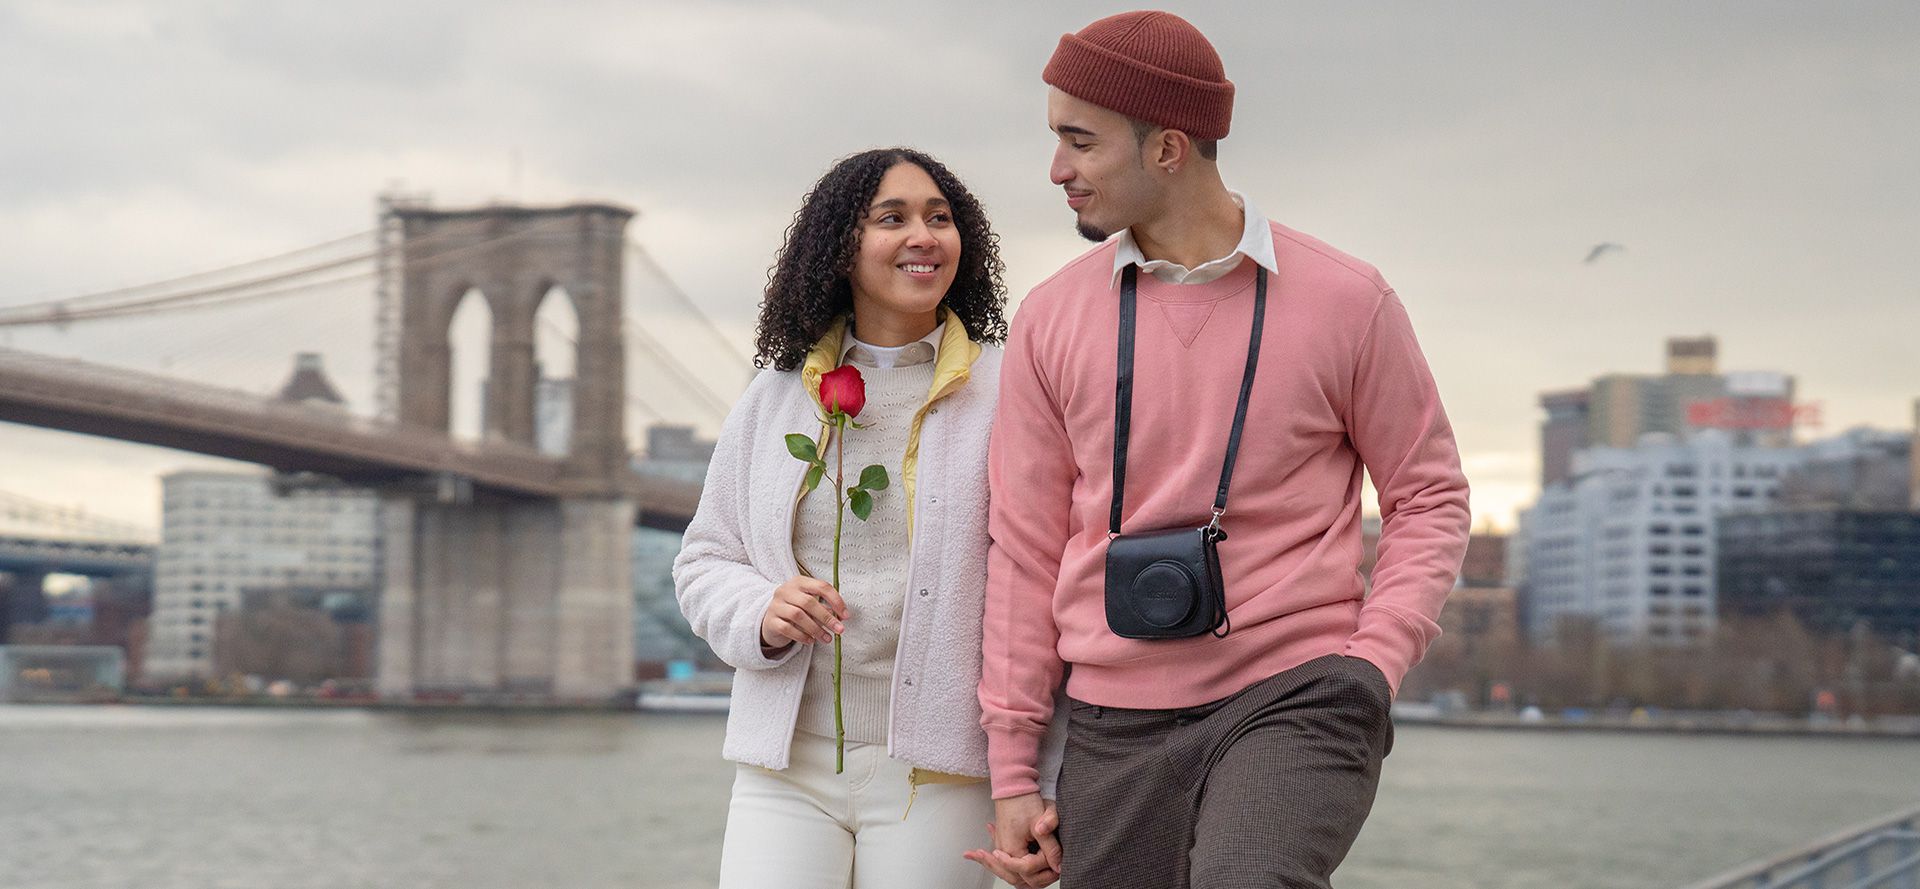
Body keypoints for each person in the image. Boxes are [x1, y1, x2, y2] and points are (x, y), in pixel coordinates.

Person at [971, 11, 1472, 889]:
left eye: (1080, 143)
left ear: (1168, 149)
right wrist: (1014, 768)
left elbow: (1429, 496)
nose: (1058, 170)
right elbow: (1023, 545)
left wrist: (1374, 662)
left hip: (1297, 692)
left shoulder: (1348, 301)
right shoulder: (1050, 319)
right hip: (1110, 719)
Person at [675, 147, 1058, 889]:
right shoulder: (776, 395)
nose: (925, 236)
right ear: (841, 248)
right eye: (894, 218)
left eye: (940, 218)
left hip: (941, 772)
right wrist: (762, 608)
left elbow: (1044, 585)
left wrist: (1042, 773)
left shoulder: (1012, 391)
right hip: (784, 764)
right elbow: (703, 559)